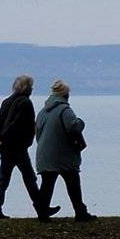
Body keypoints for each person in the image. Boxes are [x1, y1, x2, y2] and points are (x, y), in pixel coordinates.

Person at [0, 74, 59, 219]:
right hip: (17, 147)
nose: (32, 89)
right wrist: (3, 137)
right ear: (27, 88)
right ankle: (41, 207)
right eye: (31, 86)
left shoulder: (6, 101)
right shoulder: (25, 103)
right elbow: (18, 124)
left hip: (6, 148)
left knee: (4, 178)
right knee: (29, 178)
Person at [34, 80, 96, 222]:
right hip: (63, 155)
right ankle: (80, 212)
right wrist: (81, 122)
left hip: (44, 154)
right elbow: (73, 127)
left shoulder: (42, 112)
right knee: (73, 182)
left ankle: (42, 214)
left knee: (47, 184)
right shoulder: (65, 110)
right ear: (65, 95)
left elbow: (37, 133)